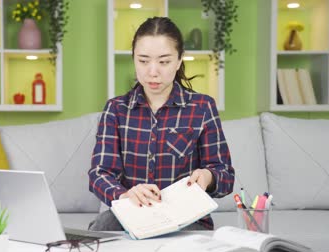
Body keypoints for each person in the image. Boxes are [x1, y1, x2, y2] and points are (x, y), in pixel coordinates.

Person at [88, 17, 235, 231]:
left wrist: (208, 177)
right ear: (134, 59)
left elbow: (225, 174)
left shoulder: (202, 107)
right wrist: (125, 194)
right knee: (100, 229)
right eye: (143, 60)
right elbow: (99, 174)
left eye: (164, 61)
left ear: (178, 60)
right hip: (131, 214)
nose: (152, 71)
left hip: (186, 220)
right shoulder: (116, 109)